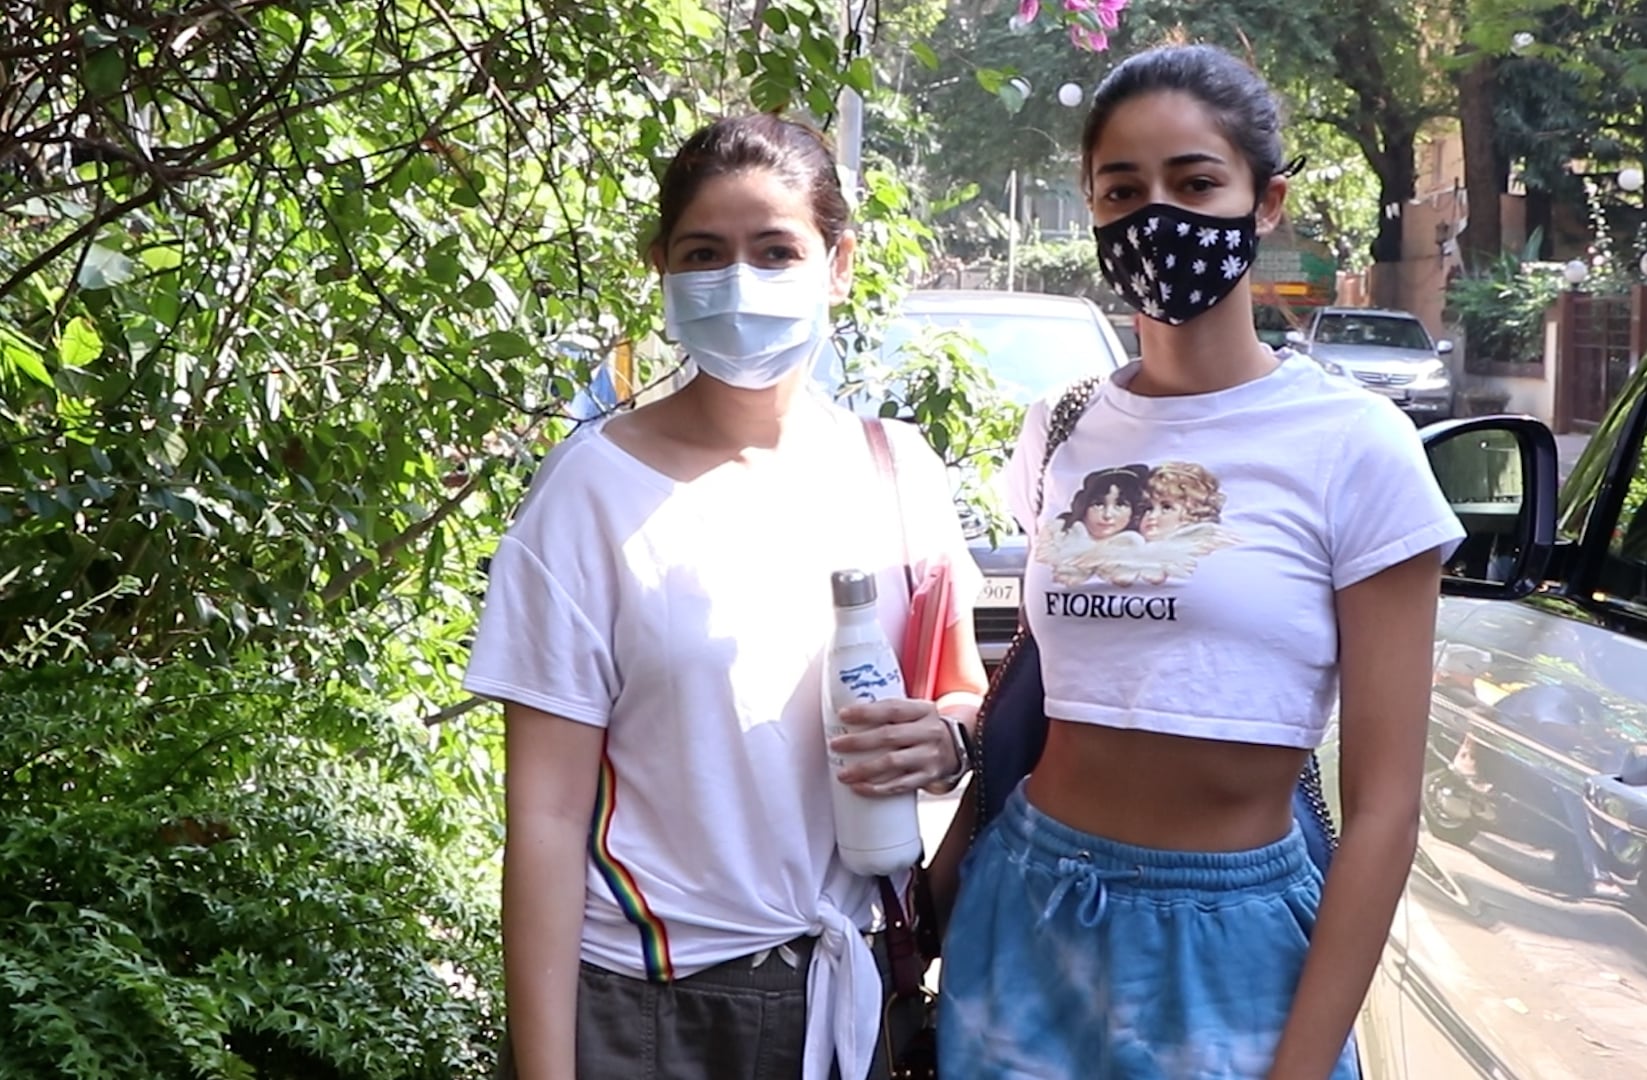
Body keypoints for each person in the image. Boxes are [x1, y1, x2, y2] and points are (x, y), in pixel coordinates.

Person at [933, 43, 1465, 1080]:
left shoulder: (1355, 444)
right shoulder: (1063, 427)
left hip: (1235, 940)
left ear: (1264, 203)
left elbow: (1387, 807)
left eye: (1195, 183)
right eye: (1121, 189)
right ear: (1090, 208)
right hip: (1029, 908)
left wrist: (1301, 1064)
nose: (1156, 217)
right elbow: (1047, 690)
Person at [461, 114, 989, 1080]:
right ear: (662, 265)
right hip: (646, 1006)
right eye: (706, 253)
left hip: (847, 992)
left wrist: (948, 736)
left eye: (776, 249)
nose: (740, 281)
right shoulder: (591, 494)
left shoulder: (897, 472)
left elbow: (960, 695)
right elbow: (541, 819)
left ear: (838, 263)